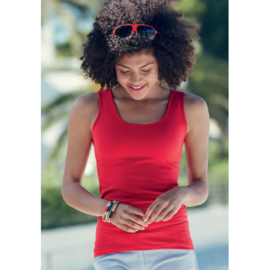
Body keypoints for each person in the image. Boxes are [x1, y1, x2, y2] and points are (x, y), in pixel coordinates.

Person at [61, 0, 210, 269]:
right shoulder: (89, 107)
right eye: (124, 71)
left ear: (162, 62)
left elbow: (201, 186)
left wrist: (183, 194)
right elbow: (70, 187)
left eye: (146, 70)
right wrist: (108, 210)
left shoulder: (191, 107)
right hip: (112, 252)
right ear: (110, 65)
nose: (136, 80)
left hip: (174, 249)